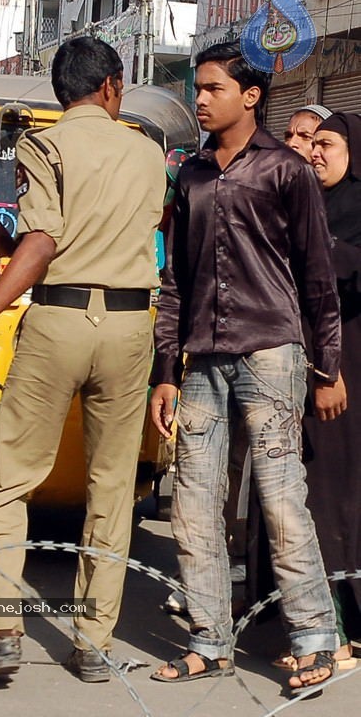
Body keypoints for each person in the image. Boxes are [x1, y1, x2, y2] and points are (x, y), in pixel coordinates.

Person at [0, 36, 166, 682]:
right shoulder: (150, 154)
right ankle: (92, 643)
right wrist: (9, 243)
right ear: (113, 87)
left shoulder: (44, 145)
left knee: (7, 481)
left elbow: (48, 242)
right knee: (112, 488)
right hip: (127, 327)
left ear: (66, 92)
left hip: (59, 320)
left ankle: (4, 631)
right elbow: (80, 238)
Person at [148, 40, 346, 695]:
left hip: (271, 355)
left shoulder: (286, 170)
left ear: (250, 96)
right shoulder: (195, 174)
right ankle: (209, 638)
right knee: (194, 503)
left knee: (281, 497)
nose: (199, 99)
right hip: (202, 359)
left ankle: (317, 638)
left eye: (211, 88)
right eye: (197, 89)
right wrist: (166, 372)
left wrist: (327, 368)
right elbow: (175, 278)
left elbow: (318, 276)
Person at [305, 112, 361, 665]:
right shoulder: (302, 205)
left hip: (349, 368)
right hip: (306, 363)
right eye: (312, 144)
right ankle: (317, 623)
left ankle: (348, 622)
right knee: (310, 493)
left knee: (347, 493)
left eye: (328, 144)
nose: (316, 152)